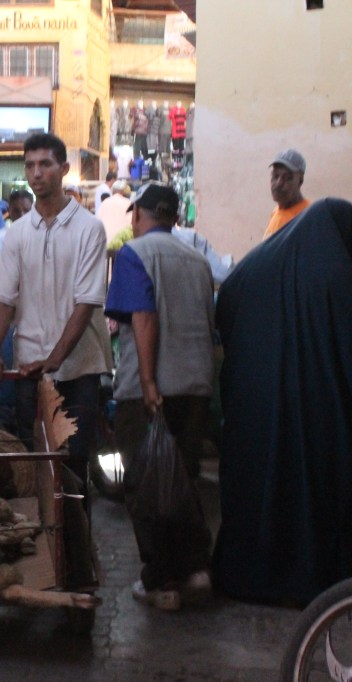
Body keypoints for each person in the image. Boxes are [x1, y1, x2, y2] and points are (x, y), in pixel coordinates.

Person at [215, 199, 352, 607]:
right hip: (321, 412)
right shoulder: (338, 272)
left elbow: (228, 320)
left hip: (255, 408)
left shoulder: (252, 269)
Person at [104, 183, 214, 611]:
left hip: (149, 392)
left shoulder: (135, 254)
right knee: (182, 480)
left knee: (146, 486)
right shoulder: (198, 259)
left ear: (138, 216)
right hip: (196, 385)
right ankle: (195, 570)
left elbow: (143, 316)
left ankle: (162, 582)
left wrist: (149, 382)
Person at [0, 133, 113, 486]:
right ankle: (44, 540)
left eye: (45, 164)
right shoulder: (18, 233)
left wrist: (54, 359)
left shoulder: (90, 229)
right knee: (36, 463)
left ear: (63, 169)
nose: (36, 173)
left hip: (78, 368)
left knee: (73, 467)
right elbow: (3, 296)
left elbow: (86, 301)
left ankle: (76, 541)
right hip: (29, 368)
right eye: (29, 166)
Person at [262, 148, 309, 240]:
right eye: (275, 176)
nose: (279, 183)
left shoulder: (307, 217)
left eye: (287, 177)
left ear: (300, 180)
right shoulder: (276, 211)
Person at [98, 179, 132, 247]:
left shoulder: (104, 203)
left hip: (106, 244)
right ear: (123, 191)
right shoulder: (129, 203)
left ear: (112, 191)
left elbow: (98, 223)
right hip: (124, 244)